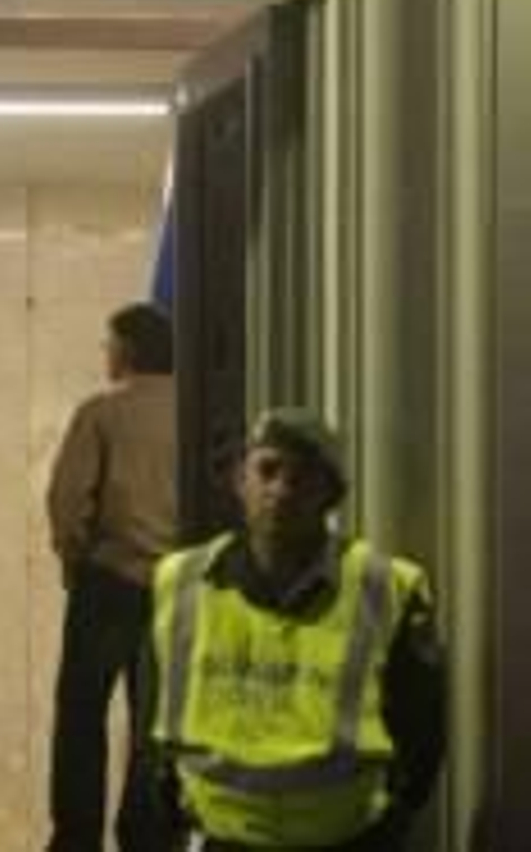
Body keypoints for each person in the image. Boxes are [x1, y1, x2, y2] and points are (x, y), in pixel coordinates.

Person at [148, 407, 447, 851]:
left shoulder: (383, 588)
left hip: (346, 841)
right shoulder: (182, 581)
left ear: (330, 497)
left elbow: (421, 734)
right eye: (267, 470)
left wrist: (389, 829)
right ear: (239, 481)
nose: (282, 490)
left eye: (304, 478)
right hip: (220, 840)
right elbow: (150, 724)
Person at [44, 302, 178, 852]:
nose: (106, 354)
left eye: (109, 343)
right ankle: (145, 837)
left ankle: (77, 839)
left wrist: (73, 561)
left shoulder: (101, 412)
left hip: (109, 580)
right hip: (176, 586)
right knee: (153, 724)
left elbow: (66, 499)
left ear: (126, 349)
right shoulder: (196, 408)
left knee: (81, 716)